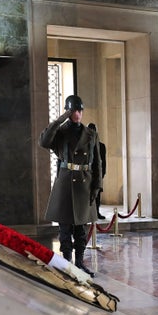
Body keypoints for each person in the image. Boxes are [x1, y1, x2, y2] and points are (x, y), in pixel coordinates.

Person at [40, 95, 102, 277]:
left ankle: (80, 263)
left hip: (85, 183)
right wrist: (59, 120)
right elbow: (43, 142)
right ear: (68, 112)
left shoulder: (91, 134)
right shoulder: (60, 132)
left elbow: (97, 162)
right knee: (65, 229)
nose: (77, 114)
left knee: (80, 230)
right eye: (74, 111)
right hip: (65, 183)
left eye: (80, 110)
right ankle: (67, 263)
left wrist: (97, 185)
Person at [87, 123, 107, 220]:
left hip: (96, 173)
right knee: (86, 195)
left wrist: (102, 174)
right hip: (86, 174)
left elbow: (103, 161)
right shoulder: (84, 145)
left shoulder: (101, 146)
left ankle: (97, 212)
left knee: (97, 194)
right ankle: (86, 214)